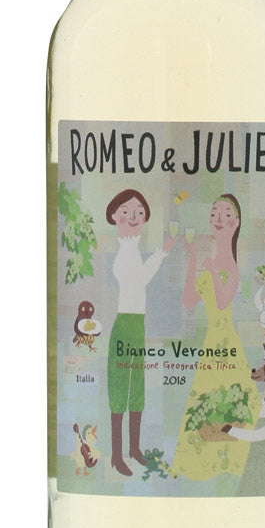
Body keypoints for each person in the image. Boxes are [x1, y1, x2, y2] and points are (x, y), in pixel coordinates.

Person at [171, 194, 261, 482]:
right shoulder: (210, 261)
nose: (218, 219)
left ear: (236, 223)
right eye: (214, 214)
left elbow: (223, 303)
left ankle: (229, 461)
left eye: (225, 214)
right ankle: (208, 462)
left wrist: (210, 269)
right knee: (208, 400)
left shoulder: (230, 264)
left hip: (225, 339)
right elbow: (188, 300)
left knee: (232, 400)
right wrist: (193, 259)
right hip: (212, 341)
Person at [105, 188, 178, 476]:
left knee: (137, 388)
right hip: (124, 326)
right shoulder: (124, 253)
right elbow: (138, 280)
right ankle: (116, 455)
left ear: (145, 217)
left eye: (139, 212)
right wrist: (161, 252)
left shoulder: (132, 250)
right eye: (126, 211)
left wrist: (163, 250)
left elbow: (141, 278)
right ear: (114, 216)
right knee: (119, 389)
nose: (134, 216)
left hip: (138, 325)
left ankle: (134, 449)